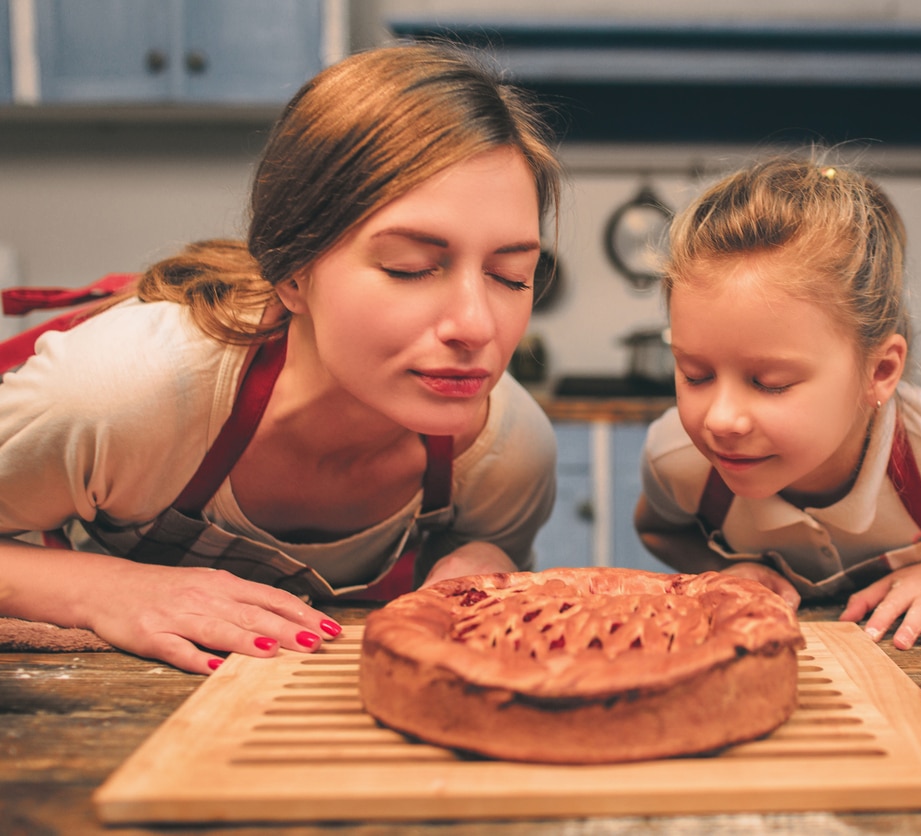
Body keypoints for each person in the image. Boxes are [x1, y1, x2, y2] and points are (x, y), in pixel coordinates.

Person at [0, 41, 563, 674]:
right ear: (293, 274)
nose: (476, 326)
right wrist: (111, 589)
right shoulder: (121, 392)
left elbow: (488, 559)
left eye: (512, 276)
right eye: (410, 269)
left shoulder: (509, 453)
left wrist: (484, 559)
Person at [634, 155, 921, 650]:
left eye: (771, 383)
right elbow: (657, 530)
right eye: (696, 375)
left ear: (879, 371)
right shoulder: (680, 461)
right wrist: (721, 573)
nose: (721, 419)